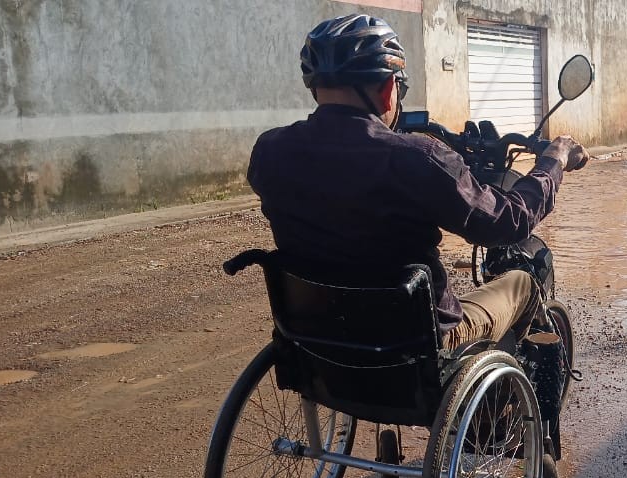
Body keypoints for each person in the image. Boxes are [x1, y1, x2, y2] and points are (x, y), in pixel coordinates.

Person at [247, 14, 589, 349]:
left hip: (315, 338)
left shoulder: (269, 150)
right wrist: (552, 163)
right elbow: (507, 222)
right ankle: (521, 398)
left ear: (316, 89)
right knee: (522, 285)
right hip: (412, 344)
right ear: (386, 91)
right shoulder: (418, 157)